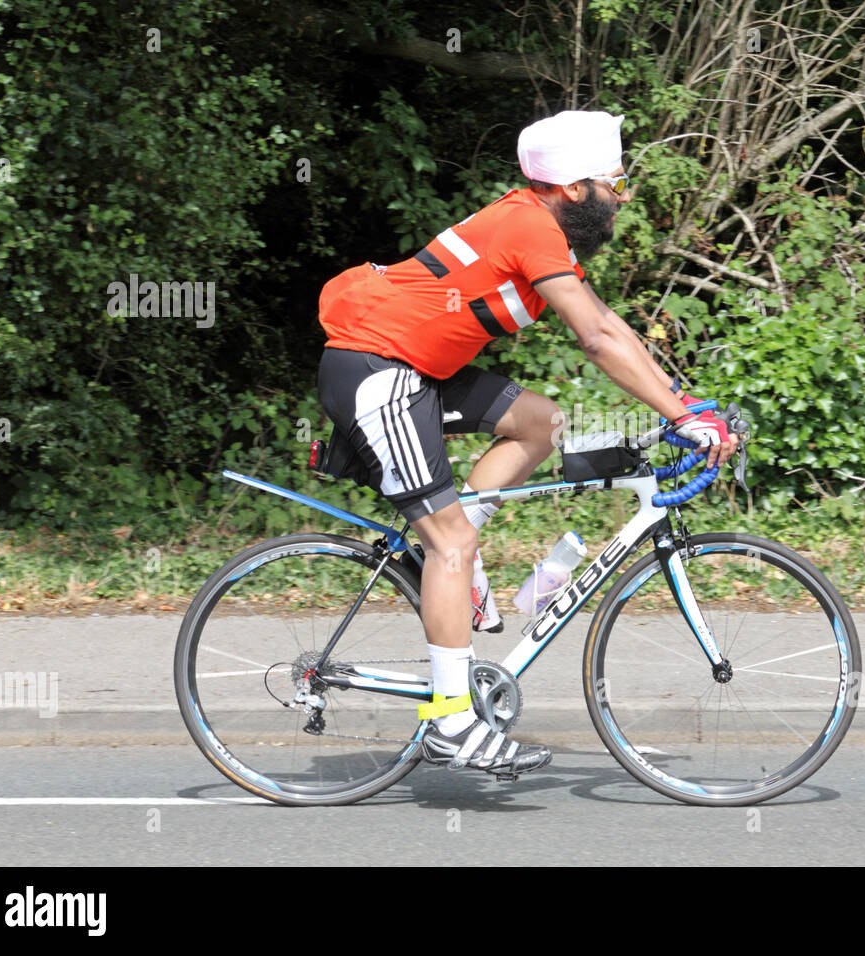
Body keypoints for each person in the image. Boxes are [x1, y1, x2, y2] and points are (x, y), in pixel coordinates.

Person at [316, 110, 738, 778]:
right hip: (378, 371)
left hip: (417, 371)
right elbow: (595, 344)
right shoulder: (527, 225)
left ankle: (465, 568)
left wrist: (686, 403)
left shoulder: (541, 229)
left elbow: (609, 324)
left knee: (542, 423)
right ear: (576, 188)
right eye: (616, 182)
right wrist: (683, 419)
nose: (623, 197)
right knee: (447, 543)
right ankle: (450, 723)